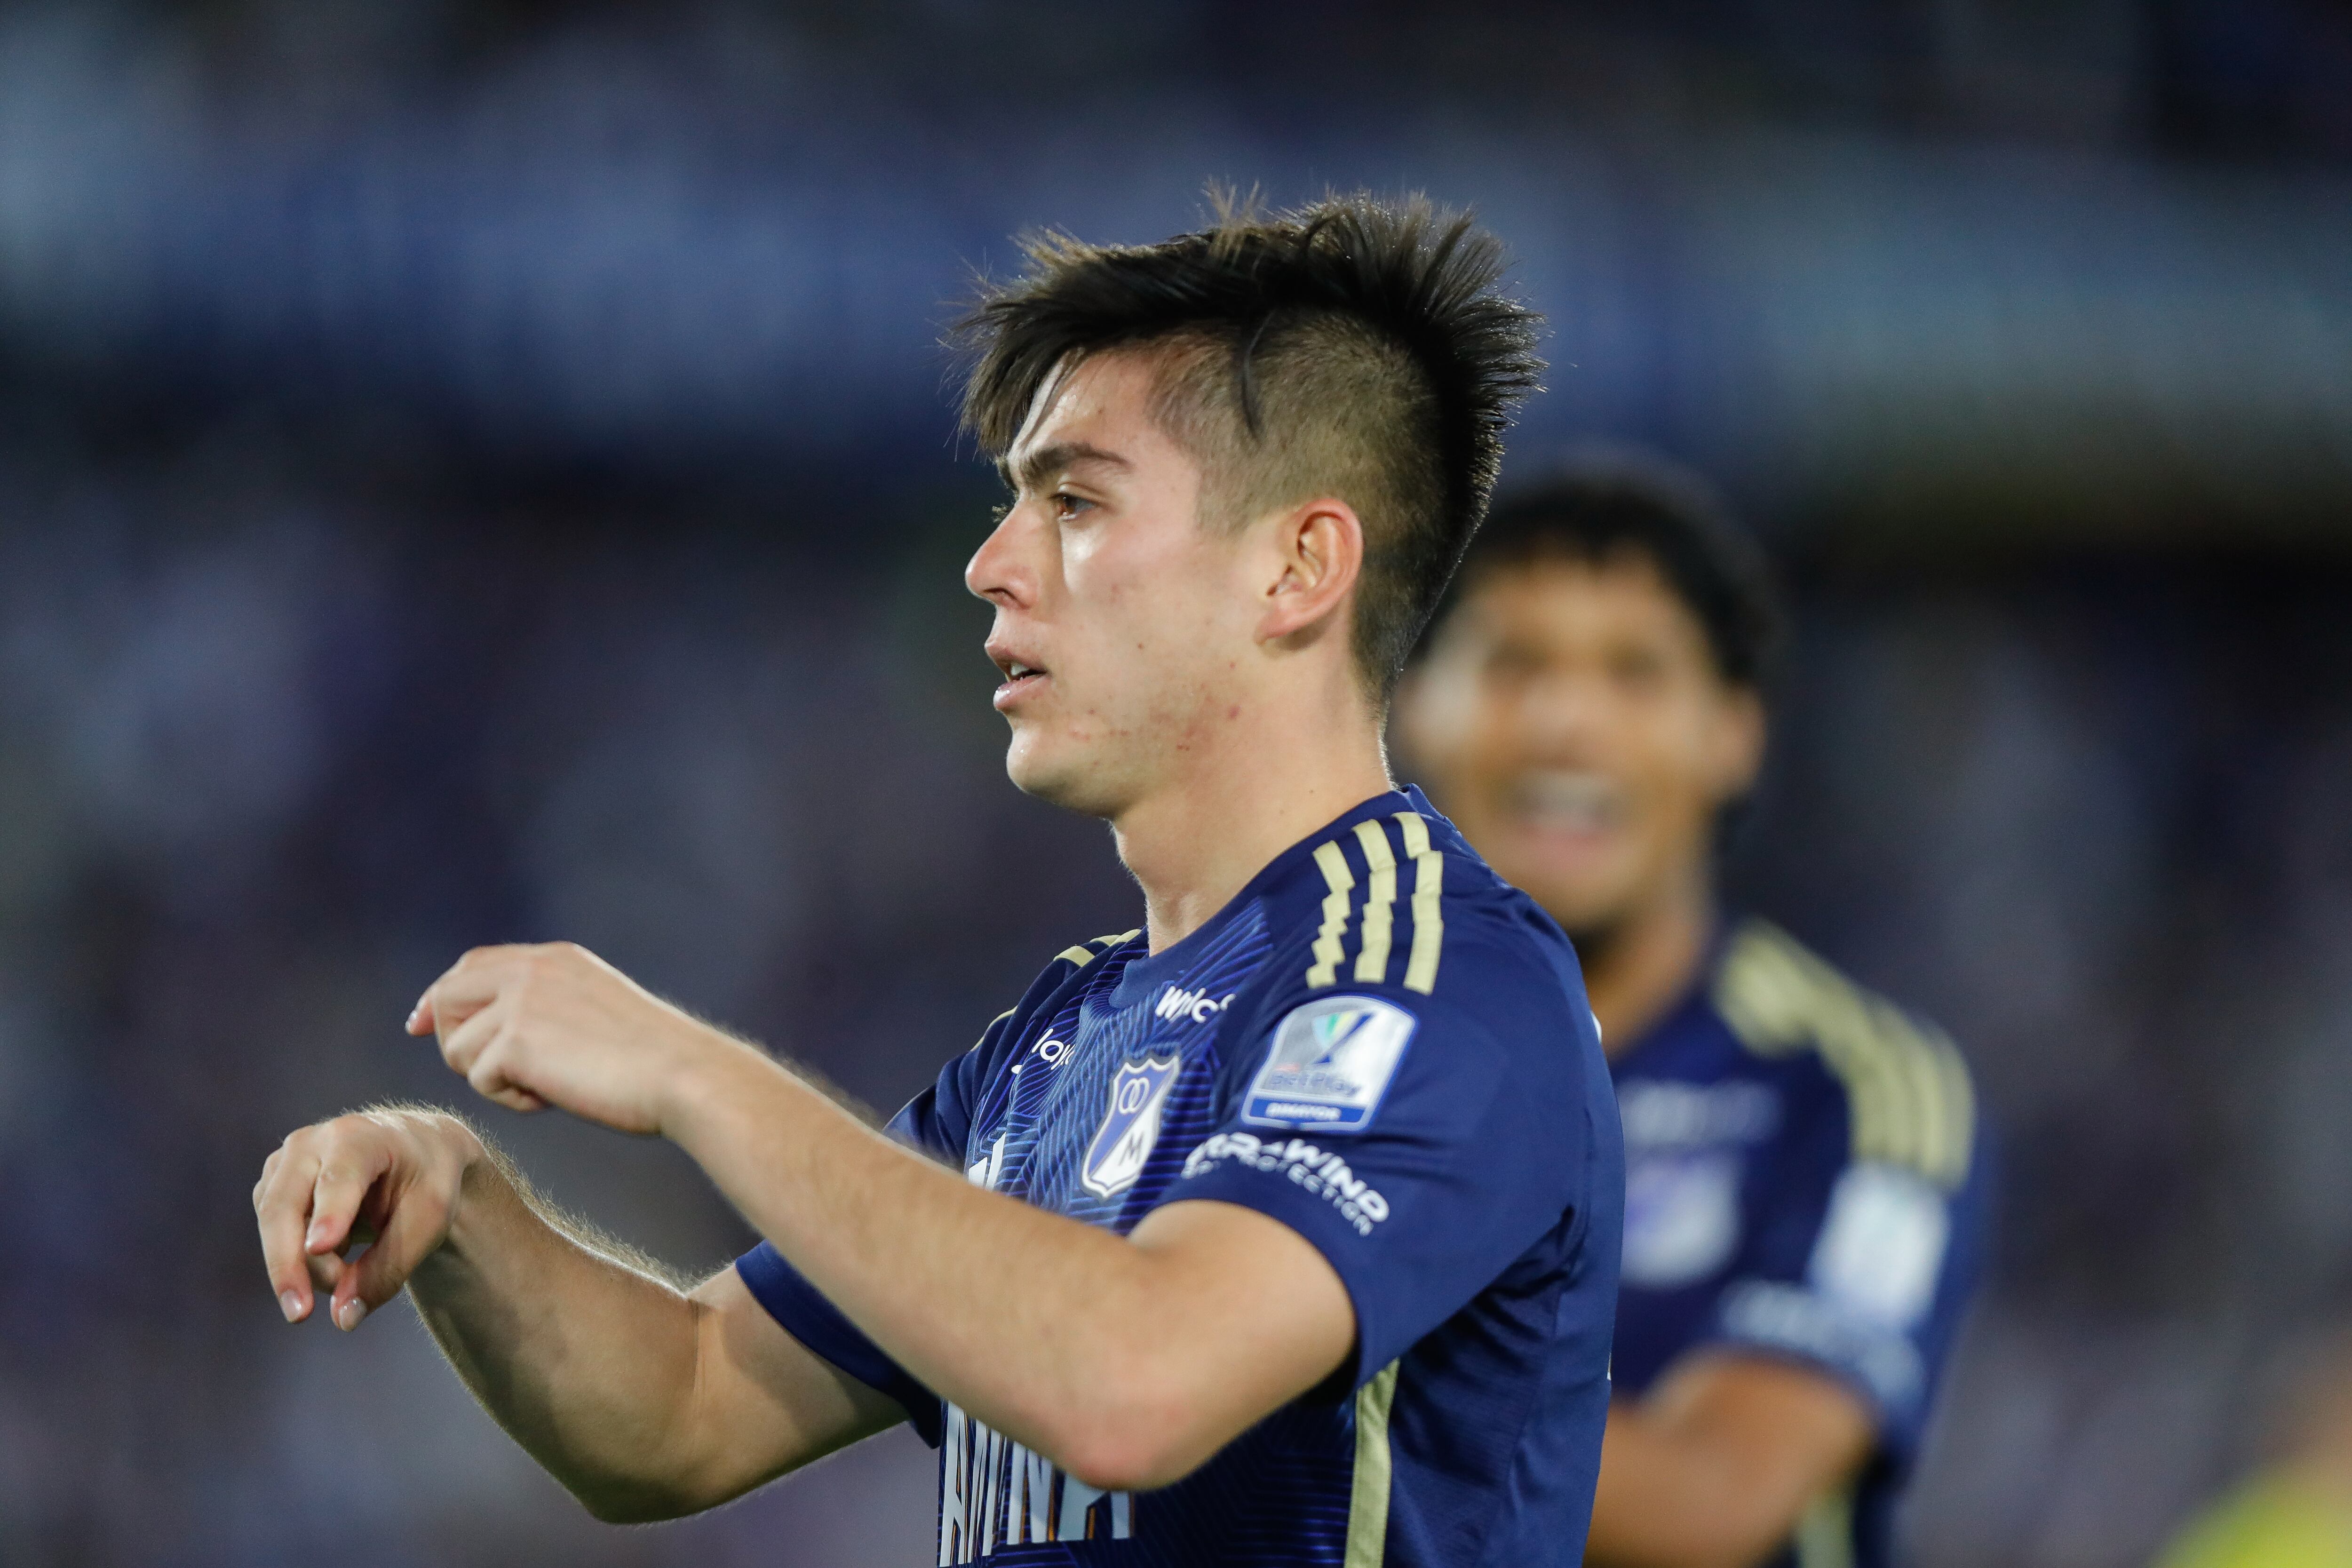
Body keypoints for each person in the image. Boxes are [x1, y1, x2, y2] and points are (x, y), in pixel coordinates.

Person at [251, 195, 1626, 1567]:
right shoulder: (1059, 1038)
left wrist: (688, 1070)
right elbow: (680, 1406)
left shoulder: (1433, 978)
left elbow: (1138, 1377)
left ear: (1297, 566)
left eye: (1075, 500)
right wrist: (462, 1207)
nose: (991, 565)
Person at [1396, 456, 1989, 1568]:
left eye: (1635, 671)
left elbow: (1715, 1504)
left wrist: (1278, 1345)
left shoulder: (1856, 1085)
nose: (1567, 721)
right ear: (1414, 705)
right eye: (1511, 663)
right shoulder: (1314, 1045)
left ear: (1733, 732)